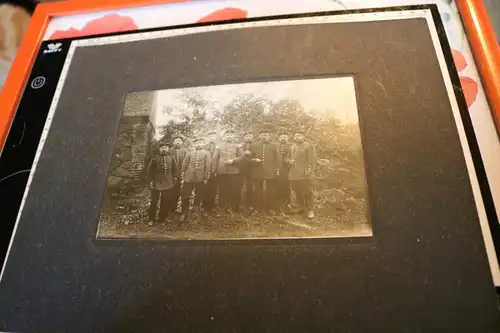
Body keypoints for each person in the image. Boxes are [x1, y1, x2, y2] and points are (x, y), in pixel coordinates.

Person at [251, 126, 281, 215]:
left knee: (271, 190)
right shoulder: (254, 145)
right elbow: (249, 158)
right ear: (260, 136)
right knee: (257, 190)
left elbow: (278, 159)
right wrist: (254, 160)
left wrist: (277, 169)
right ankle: (257, 208)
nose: (265, 136)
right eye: (263, 135)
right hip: (257, 171)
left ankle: (270, 208)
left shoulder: (274, 146)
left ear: (270, 136)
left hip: (270, 172)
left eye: (267, 135)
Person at [180, 137, 211, 222]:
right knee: (185, 194)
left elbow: (208, 166)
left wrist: (206, 177)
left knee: (199, 194)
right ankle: (184, 211)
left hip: (200, 177)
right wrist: (182, 175)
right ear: (194, 144)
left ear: (203, 144)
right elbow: (184, 164)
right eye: (197, 143)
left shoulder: (206, 153)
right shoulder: (190, 153)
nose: (198, 144)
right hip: (188, 177)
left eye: (200, 142)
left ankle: (195, 209)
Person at [288, 131, 317, 219]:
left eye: (299, 136)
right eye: (295, 136)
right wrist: (289, 161)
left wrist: (308, 171)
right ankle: (301, 208)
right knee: (297, 191)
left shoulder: (308, 145)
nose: (297, 137)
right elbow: (288, 157)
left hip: (304, 173)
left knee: (308, 192)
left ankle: (311, 210)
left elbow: (311, 160)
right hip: (294, 174)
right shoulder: (292, 147)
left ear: (303, 137)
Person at [146, 143, 176, 225]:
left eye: (166, 148)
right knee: (154, 201)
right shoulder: (154, 159)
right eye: (162, 148)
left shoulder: (171, 158)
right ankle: (151, 219)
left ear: (168, 149)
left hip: (168, 183)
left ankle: (162, 218)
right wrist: (151, 182)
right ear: (159, 149)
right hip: (156, 182)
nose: (164, 149)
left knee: (165, 201)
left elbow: (174, 171)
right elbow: (150, 172)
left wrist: (173, 181)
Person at [217, 129, 243, 213]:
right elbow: (215, 158)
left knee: (233, 189)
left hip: (234, 170)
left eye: (230, 134)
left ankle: (231, 207)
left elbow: (242, 157)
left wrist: (233, 161)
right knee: (222, 189)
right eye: (227, 134)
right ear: (224, 136)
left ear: (233, 136)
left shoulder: (238, 146)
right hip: (222, 170)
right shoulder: (219, 146)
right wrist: (215, 169)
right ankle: (221, 207)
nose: (228, 135)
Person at [275, 130, 292, 214]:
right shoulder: (275, 146)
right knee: (277, 185)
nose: (283, 138)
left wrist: (288, 161)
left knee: (286, 185)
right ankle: (278, 201)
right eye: (281, 137)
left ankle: (288, 202)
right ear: (278, 138)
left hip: (287, 169)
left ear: (288, 138)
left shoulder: (291, 147)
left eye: (285, 137)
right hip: (277, 168)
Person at [203, 131, 220, 214]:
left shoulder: (219, 146)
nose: (212, 138)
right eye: (210, 136)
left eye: (213, 136)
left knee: (214, 189)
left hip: (216, 170)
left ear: (216, 137)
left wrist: (216, 170)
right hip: (206, 170)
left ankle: (213, 206)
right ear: (208, 137)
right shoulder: (204, 147)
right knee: (205, 189)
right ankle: (205, 207)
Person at [170, 136, 188, 214]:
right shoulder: (170, 151)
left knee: (184, 192)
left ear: (182, 142)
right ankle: (173, 208)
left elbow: (188, 162)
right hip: (173, 175)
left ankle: (183, 209)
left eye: (179, 141)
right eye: (176, 141)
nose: (177, 142)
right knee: (174, 192)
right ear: (173, 143)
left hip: (183, 174)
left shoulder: (185, 151)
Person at [239, 131, 255, 211]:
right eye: (246, 136)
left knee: (250, 186)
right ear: (244, 138)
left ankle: (250, 204)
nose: (248, 138)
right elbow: (237, 155)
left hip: (252, 168)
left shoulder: (255, 145)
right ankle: (241, 204)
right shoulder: (240, 145)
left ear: (252, 137)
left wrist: (250, 153)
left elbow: (257, 154)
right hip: (242, 168)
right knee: (240, 186)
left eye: (249, 136)